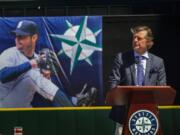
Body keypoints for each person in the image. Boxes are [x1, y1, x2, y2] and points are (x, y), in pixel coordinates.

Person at [0, 20, 96, 108]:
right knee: (31, 75)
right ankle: (73, 106)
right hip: (3, 102)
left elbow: (47, 93)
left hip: (22, 106)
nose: (17, 39)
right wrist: (29, 64)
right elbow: (2, 76)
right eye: (16, 36)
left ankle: (73, 101)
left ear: (34, 37)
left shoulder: (38, 59)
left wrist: (46, 78)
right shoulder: (9, 53)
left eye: (22, 36)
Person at [108, 26, 166, 135]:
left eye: (139, 38)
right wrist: (118, 97)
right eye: (134, 38)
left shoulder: (158, 62)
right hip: (123, 114)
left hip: (149, 113)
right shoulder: (121, 58)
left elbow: (162, 87)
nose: (135, 40)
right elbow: (113, 83)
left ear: (148, 42)